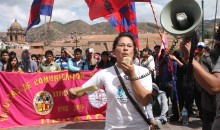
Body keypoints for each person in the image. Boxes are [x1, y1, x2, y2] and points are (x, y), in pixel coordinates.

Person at [68, 32, 152, 130]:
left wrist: (132, 74)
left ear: (133, 51)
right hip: (113, 127)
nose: (125, 48)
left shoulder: (143, 72)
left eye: (129, 46)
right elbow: (84, 91)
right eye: (121, 45)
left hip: (139, 127)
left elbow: (145, 101)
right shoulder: (104, 73)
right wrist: (73, 92)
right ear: (114, 51)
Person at [180, 28, 220, 130]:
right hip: (210, 107)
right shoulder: (207, 58)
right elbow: (204, 86)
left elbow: (214, 86)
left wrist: (190, 60)